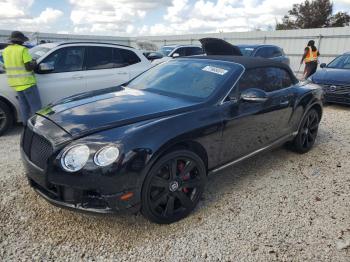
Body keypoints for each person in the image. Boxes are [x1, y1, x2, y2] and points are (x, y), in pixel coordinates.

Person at [2, 31, 42, 124]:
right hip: (27, 83)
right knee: (36, 107)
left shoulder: (6, 51)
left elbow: (6, 66)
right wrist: (34, 63)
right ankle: (36, 127)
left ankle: (26, 125)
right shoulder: (23, 50)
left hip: (16, 84)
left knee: (24, 107)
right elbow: (28, 67)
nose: (23, 42)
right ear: (20, 41)